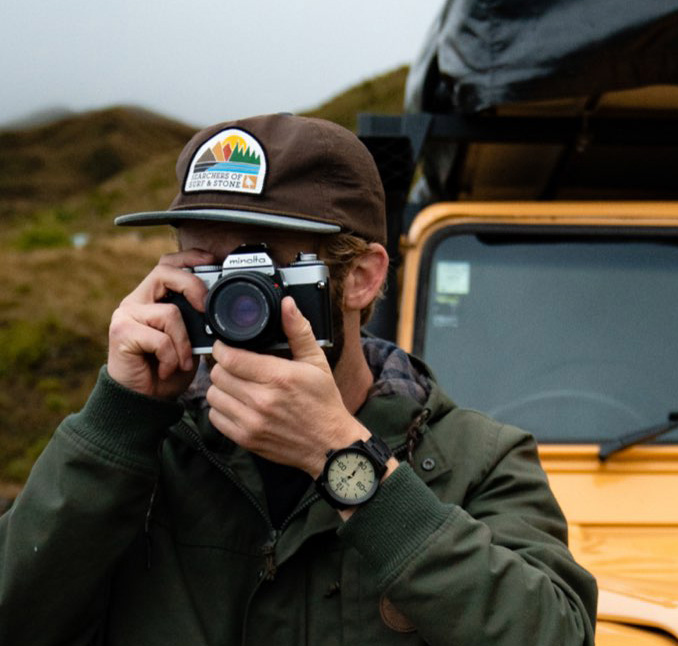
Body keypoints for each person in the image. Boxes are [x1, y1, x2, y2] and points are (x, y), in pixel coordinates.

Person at [0, 114, 597, 645]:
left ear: (361, 277)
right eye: (205, 265)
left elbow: (557, 633)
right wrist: (115, 417)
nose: (235, 300)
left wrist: (346, 462)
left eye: (263, 267)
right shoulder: (144, 457)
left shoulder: (479, 461)